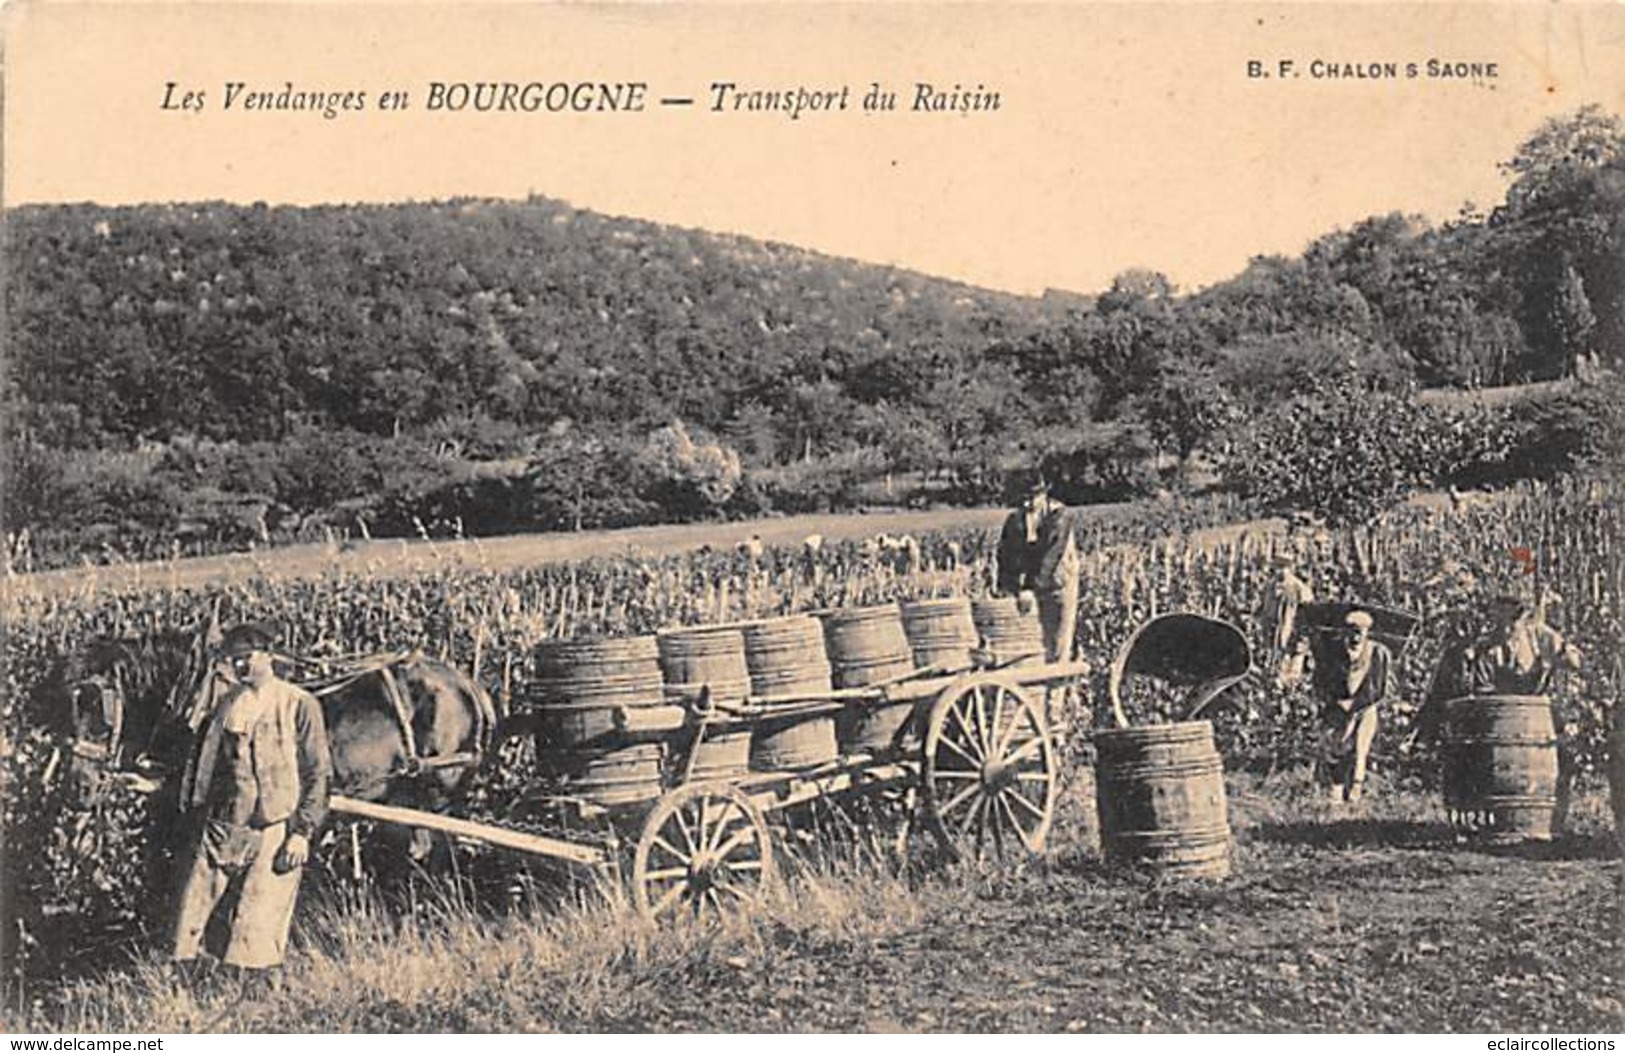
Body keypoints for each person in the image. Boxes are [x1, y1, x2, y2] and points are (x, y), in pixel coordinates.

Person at [171, 623, 330, 978]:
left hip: (275, 825)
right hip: (226, 825)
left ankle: (252, 997)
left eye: (247, 659)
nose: (241, 668)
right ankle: (186, 988)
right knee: (190, 917)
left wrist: (302, 832)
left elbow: (319, 774)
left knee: (257, 927)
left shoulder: (298, 704)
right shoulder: (228, 705)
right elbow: (205, 764)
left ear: (268, 656)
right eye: (234, 661)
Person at [995, 477, 1080, 665]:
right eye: (1024, 498)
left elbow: (1050, 555)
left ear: (1044, 494)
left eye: (1033, 498)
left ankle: (1057, 691)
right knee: (1036, 644)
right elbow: (1006, 555)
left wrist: (1029, 588)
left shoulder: (1060, 516)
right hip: (1032, 589)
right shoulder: (1015, 520)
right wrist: (1006, 587)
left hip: (1059, 586)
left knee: (1058, 644)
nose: (1027, 503)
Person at [1312, 609, 1394, 804]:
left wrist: (1357, 705)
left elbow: (1379, 687)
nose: (1355, 636)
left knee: (1359, 750)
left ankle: (1355, 792)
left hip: (1364, 707)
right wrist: (1335, 702)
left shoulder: (1377, 653)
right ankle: (1334, 794)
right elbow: (1321, 680)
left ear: (1367, 632)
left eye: (1360, 631)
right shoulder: (1333, 651)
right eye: (1351, 631)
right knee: (1335, 748)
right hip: (1337, 708)